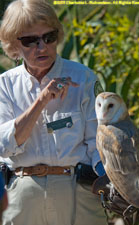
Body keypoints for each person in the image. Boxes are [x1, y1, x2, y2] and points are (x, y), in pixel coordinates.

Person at [0, 0, 106, 224]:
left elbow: (99, 142)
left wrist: (112, 178)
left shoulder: (83, 78)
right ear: (13, 45)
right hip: (23, 194)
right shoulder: (5, 85)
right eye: (30, 41)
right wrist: (41, 100)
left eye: (49, 37)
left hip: (79, 192)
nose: (42, 47)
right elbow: (4, 145)